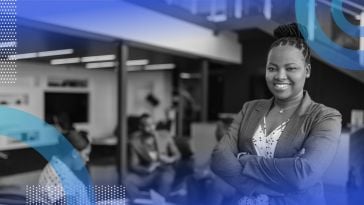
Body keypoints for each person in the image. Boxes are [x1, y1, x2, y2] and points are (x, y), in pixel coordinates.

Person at [211, 23, 342, 205]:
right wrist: (257, 187)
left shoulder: (325, 117)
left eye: (290, 68)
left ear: (307, 70)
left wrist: (244, 159)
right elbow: (219, 157)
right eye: (272, 68)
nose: (280, 76)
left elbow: (303, 174)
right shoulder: (249, 108)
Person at [124, 113, 181, 201]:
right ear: (140, 127)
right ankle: (143, 200)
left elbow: (177, 154)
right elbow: (133, 165)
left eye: (153, 124)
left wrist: (169, 159)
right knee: (127, 180)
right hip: (148, 173)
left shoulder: (165, 135)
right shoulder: (134, 142)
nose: (151, 127)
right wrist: (147, 169)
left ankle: (160, 201)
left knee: (165, 180)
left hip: (165, 170)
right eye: (147, 125)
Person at [38, 114, 92, 204]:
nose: (87, 159)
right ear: (74, 153)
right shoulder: (60, 177)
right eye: (86, 154)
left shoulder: (57, 167)